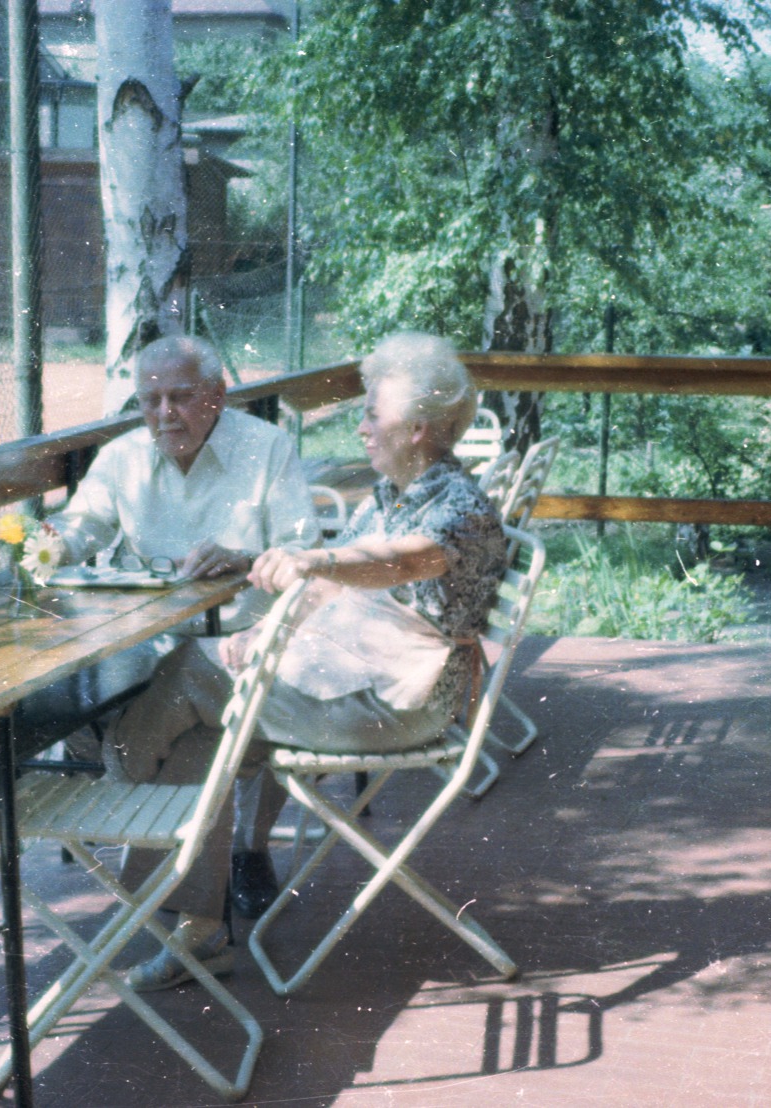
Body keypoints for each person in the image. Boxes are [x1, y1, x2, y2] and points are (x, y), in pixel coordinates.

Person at [106, 331, 508, 992]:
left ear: (419, 430)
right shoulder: (395, 492)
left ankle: (117, 809)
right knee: (202, 728)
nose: (361, 425)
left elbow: (400, 560)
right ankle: (198, 932)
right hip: (369, 685)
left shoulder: (457, 507)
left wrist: (312, 561)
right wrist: (264, 618)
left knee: (183, 673)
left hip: (402, 706)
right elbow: (328, 584)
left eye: (373, 414)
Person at [50, 334, 318, 917]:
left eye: (181, 396)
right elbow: (82, 525)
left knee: (217, 708)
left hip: (250, 649)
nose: (164, 413)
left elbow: (304, 552)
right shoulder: (123, 458)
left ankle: (234, 852)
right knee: (187, 732)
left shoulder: (267, 449)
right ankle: (201, 887)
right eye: (150, 400)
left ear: (218, 395)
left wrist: (248, 561)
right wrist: (54, 543)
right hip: (154, 652)